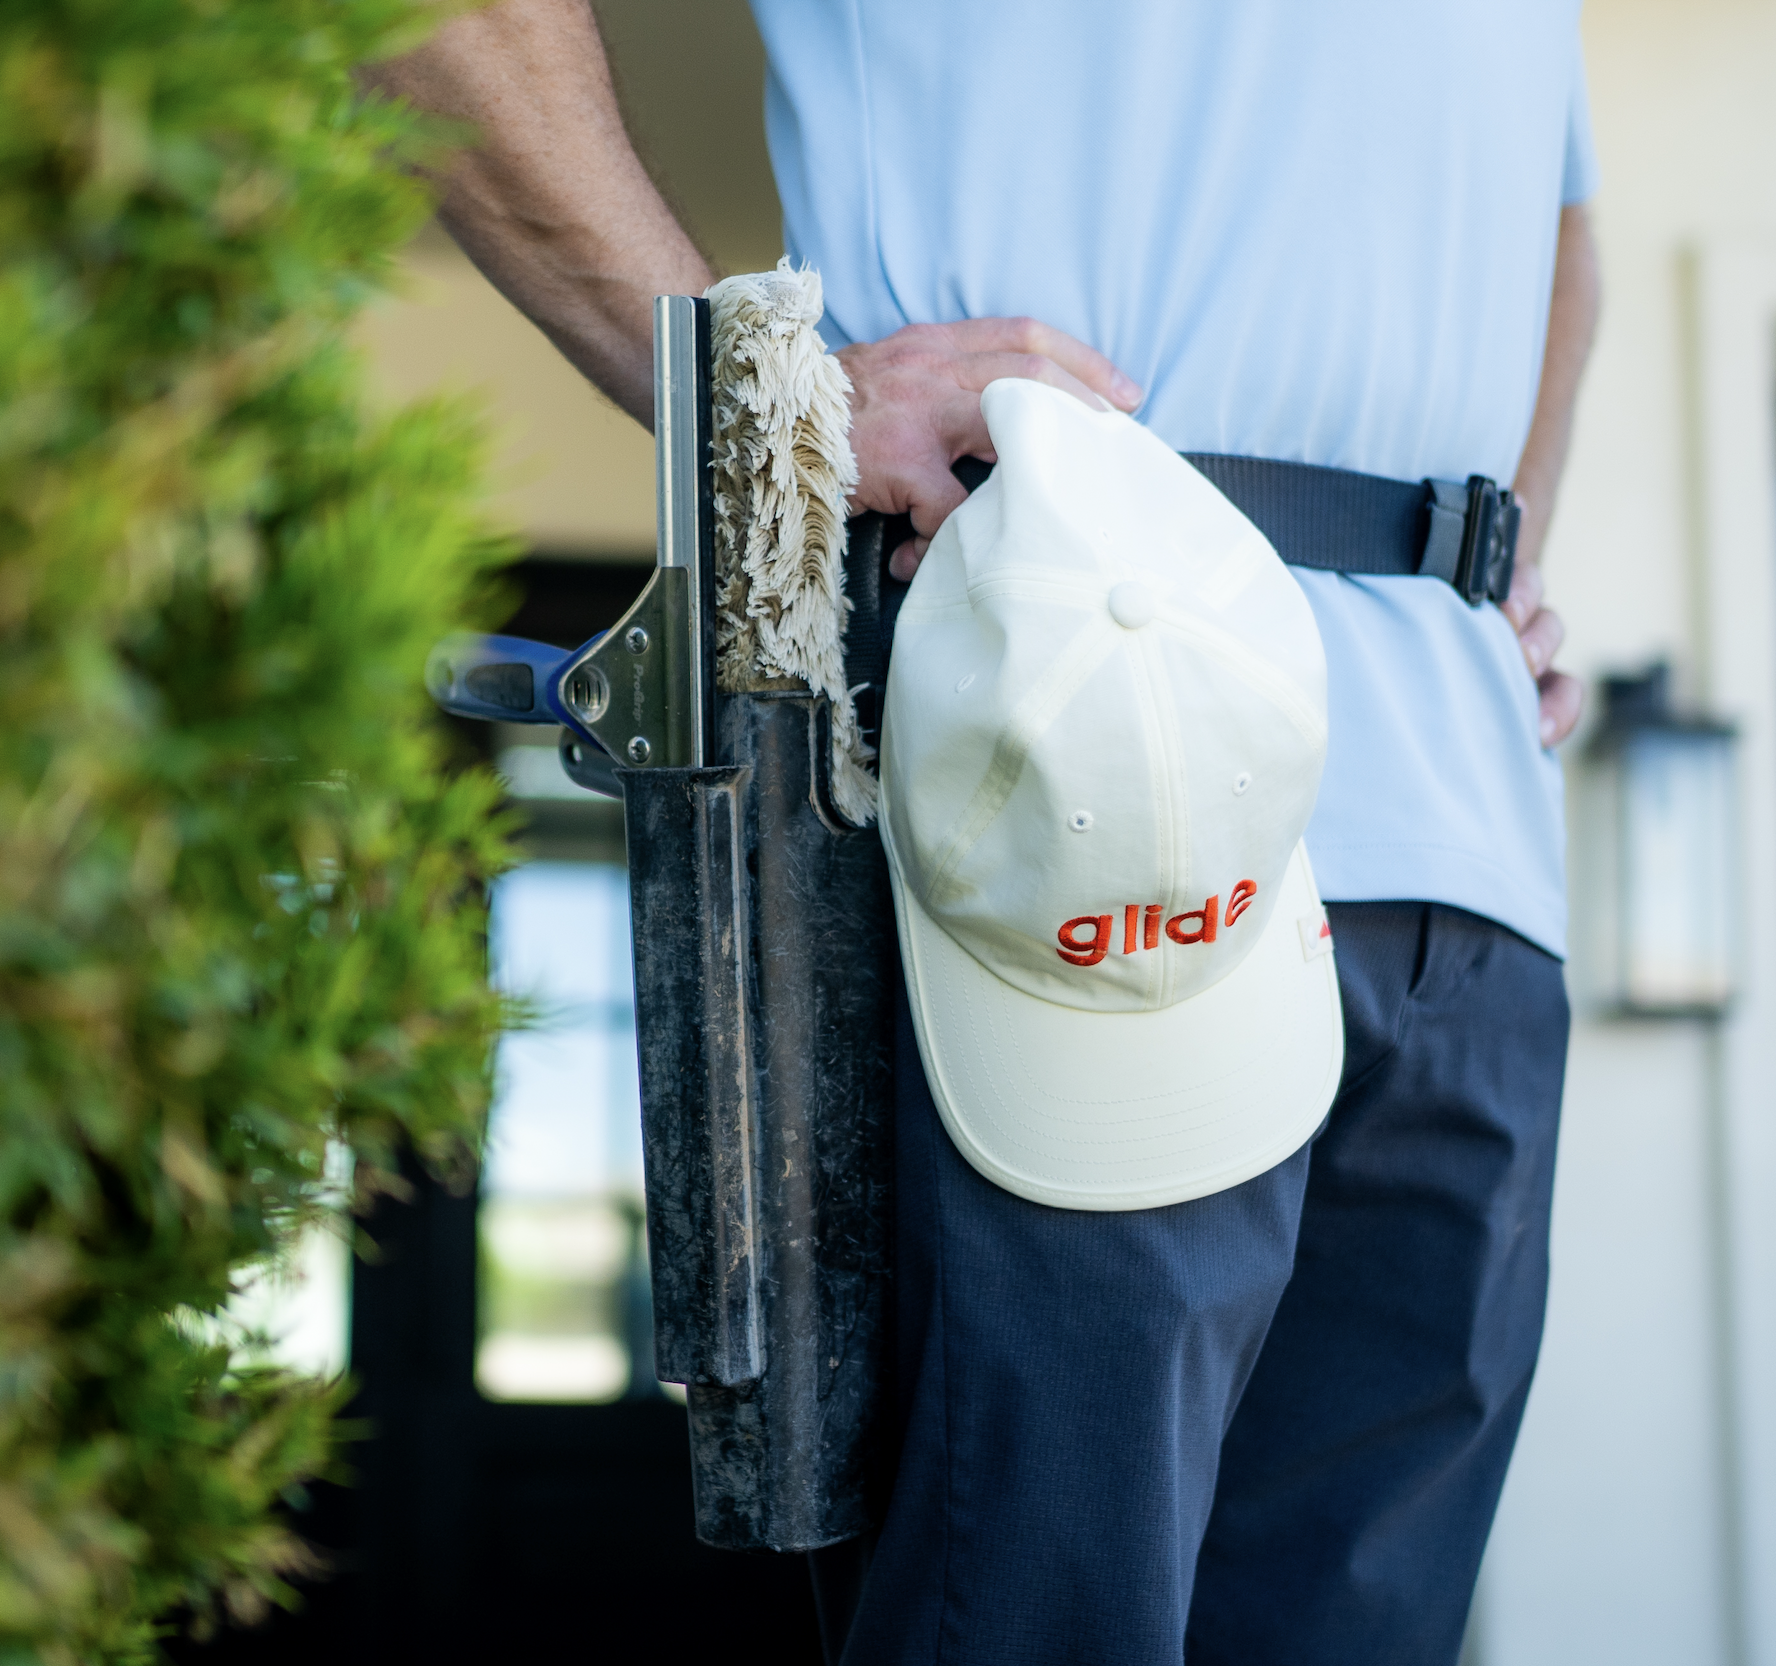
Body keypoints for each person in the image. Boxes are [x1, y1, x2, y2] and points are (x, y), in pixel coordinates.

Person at [374, 2, 1600, 1661]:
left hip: (1465, 851)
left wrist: (1499, 543)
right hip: (1063, 774)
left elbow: (1561, 215)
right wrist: (763, 406)